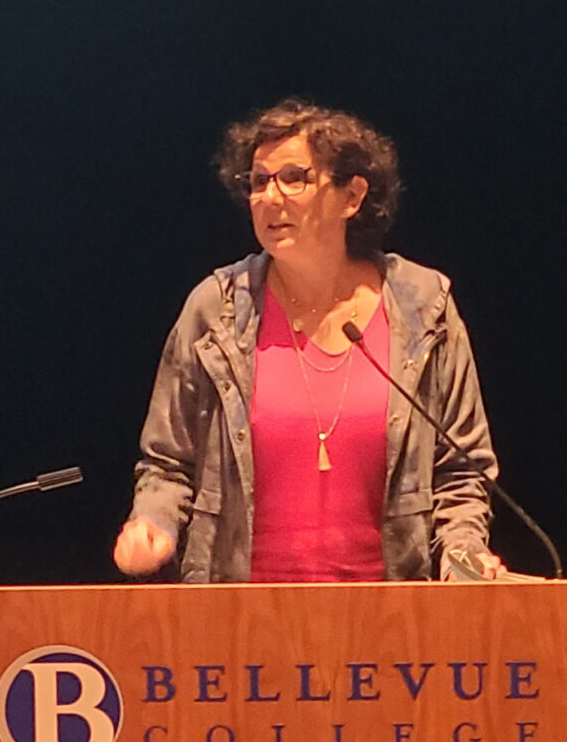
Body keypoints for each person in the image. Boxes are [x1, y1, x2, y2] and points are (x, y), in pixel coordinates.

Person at [113, 99, 504, 582]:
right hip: (236, 625)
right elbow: (168, 464)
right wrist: (153, 522)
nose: (270, 198)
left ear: (352, 196)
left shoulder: (424, 308)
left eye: (294, 177)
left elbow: (460, 474)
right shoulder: (216, 310)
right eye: (258, 182)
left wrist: (464, 554)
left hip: (394, 627)